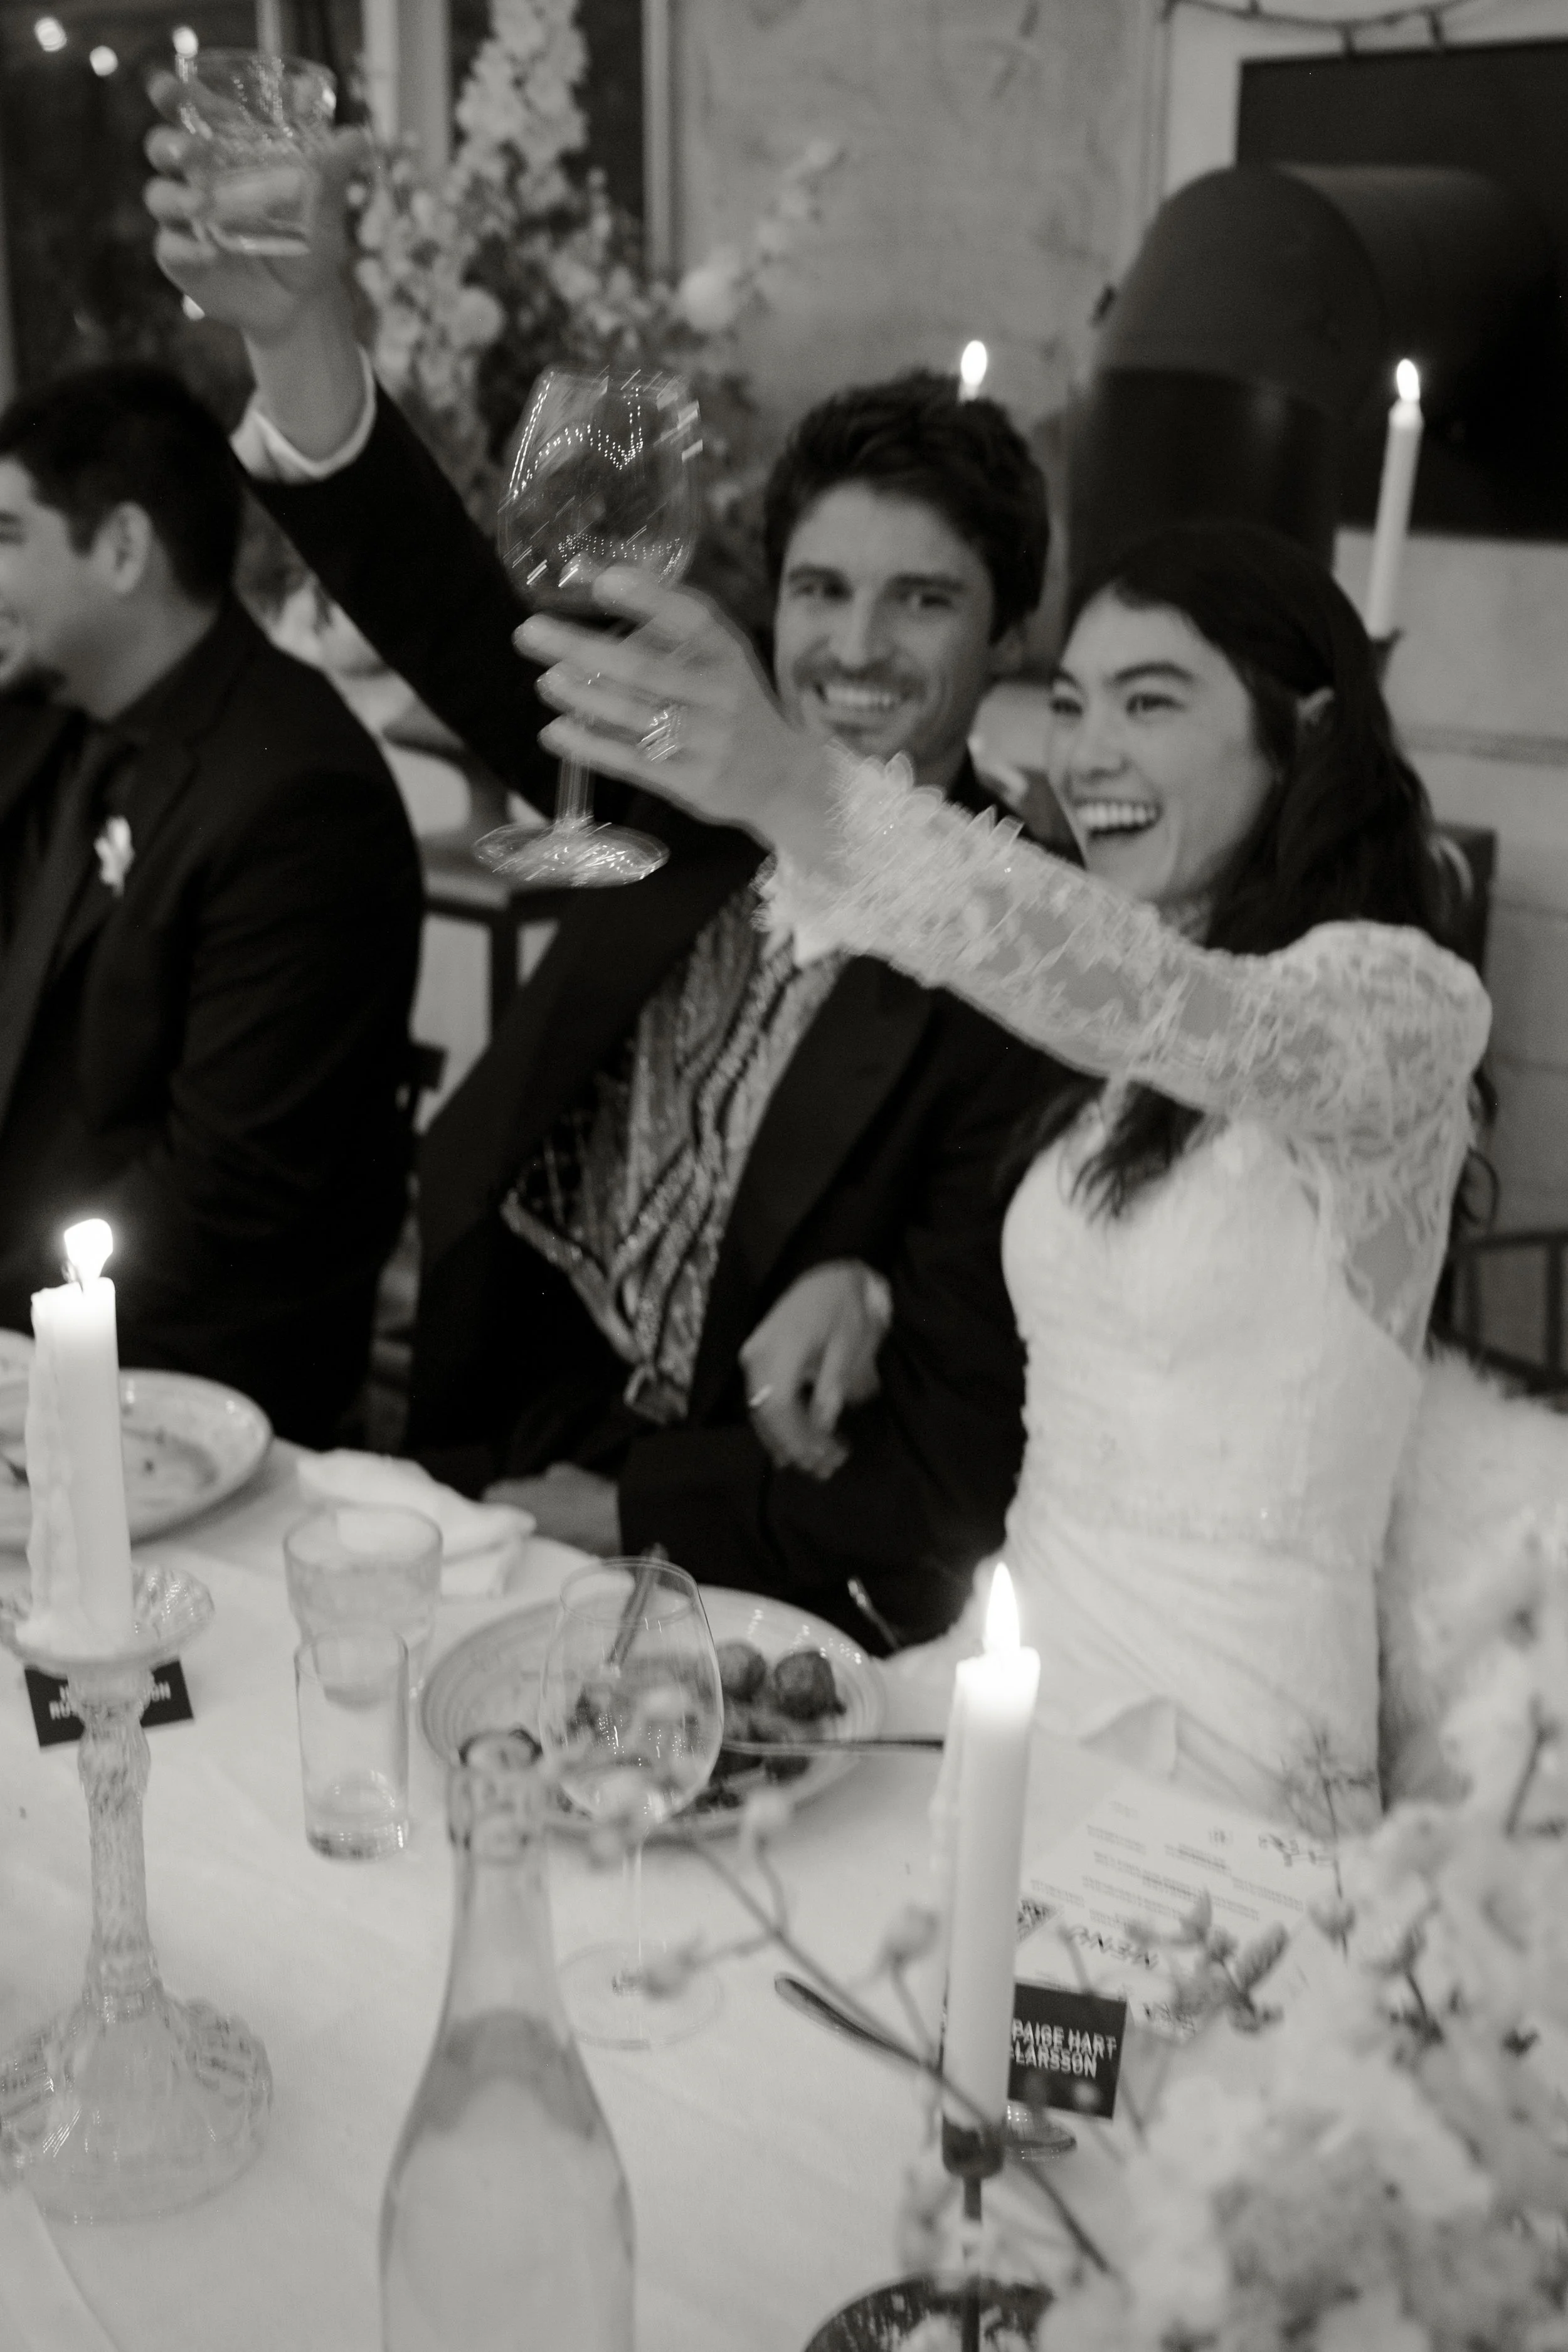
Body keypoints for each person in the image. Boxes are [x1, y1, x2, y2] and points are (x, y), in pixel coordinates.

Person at [144, 124, 1070, 1651]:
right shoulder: (693, 769)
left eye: (924, 601)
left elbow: (962, 1403)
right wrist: (299, 333)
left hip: (740, 1554)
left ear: (1006, 636)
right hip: (484, 1430)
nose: (855, 649)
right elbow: (456, 617)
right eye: (822, 592)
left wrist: (636, 1504)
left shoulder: (1023, 934)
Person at [515, 521, 1493, 1827]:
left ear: (1303, 733)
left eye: (1150, 703)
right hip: (1009, 1677)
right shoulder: (1115, 1042)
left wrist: (797, 787)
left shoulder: (1401, 1010)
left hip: (1225, 1752)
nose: (1088, 755)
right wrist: (867, 1289)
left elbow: (1181, 1012)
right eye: (1072, 705)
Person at [0, 363, 423, 1444]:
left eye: (10, 535)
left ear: (126, 548)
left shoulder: (294, 792)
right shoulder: (46, 711)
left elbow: (226, 1196)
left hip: (177, 1384)